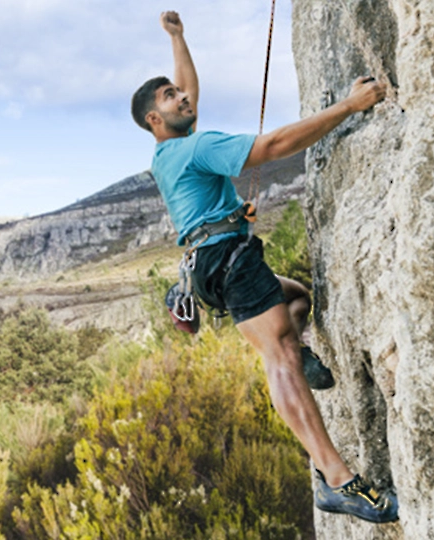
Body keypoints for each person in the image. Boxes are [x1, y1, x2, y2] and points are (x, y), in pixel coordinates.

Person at [131, 11, 398, 524]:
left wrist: (178, 38)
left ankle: (298, 356)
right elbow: (274, 147)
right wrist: (349, 105)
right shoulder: (197, 147)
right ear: (154, 119)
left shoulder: (167, 153)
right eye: (170, 97)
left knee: (296, 298)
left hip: (211, 263)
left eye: (179, 92)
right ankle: (337, 480)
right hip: (226, 260)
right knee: (278, 354)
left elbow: (188, 88)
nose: (183, 97)